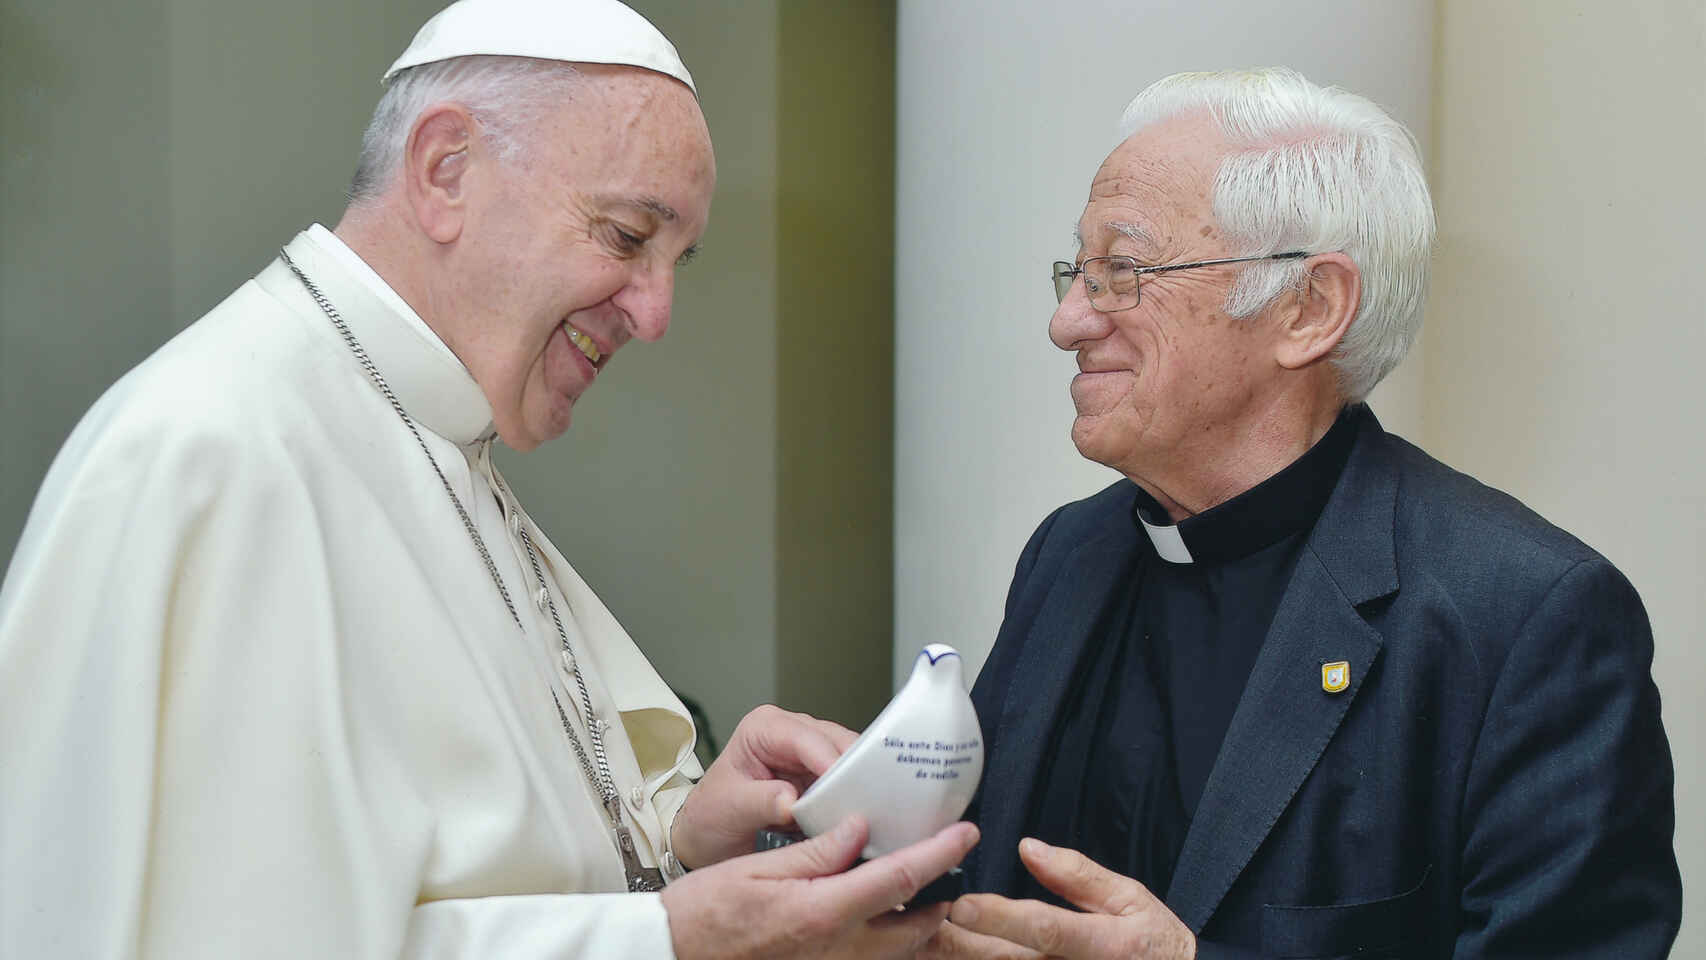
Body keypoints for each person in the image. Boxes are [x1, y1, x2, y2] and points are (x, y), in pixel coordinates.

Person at [0, 1, 975, 957]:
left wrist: (677, 844)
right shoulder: (208, 457)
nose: (655, 313)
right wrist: (672, 941)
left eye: (677, 260)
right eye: (628, 237)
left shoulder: (429, 434)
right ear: (445, 170)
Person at [926, 68, 1679, 959]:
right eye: (1078, 271)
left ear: (1309, 308)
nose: (1067, 321)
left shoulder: (1522, 619)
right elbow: (969, 878)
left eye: (1122, 271)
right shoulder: (1069, 551)